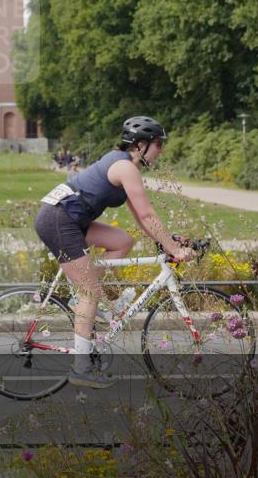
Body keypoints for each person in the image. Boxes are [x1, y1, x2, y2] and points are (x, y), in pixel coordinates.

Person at [33, 116, 196, 388]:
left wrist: (168, 241)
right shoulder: (125, 167)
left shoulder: (124, 163)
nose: (161, 150)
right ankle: (81, 368)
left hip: (71, 218)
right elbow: (146, 214)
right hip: (59, 220)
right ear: (141, 145)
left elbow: (142, 219)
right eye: (158, 144)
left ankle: (82, 298)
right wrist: (175, 250)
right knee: (91, 292)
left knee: (122, 241)